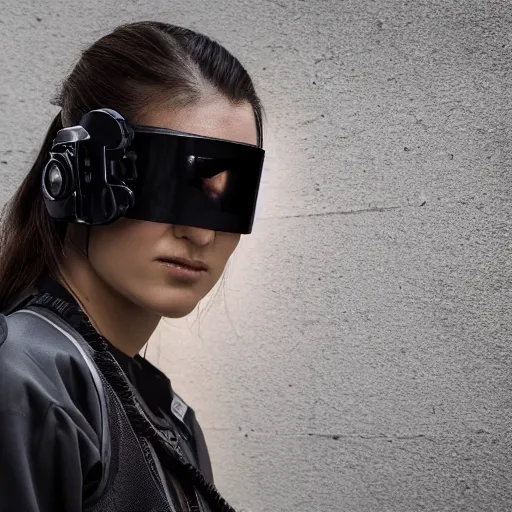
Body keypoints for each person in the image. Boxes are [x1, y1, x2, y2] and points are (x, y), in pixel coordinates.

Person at [0, 21, 265, 512]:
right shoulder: (23, 385)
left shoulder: (169, 418)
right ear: (78, 175)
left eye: (229, 196)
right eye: (171, 185)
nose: (201, 234)